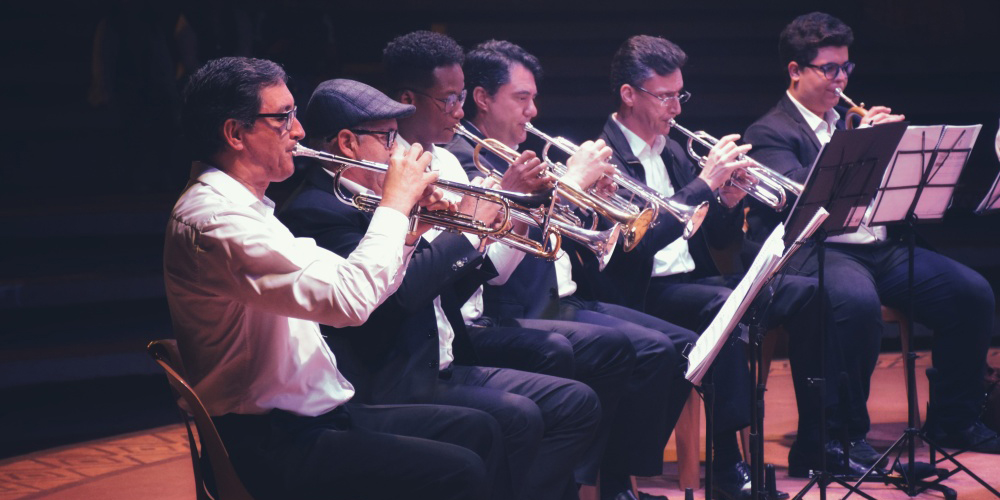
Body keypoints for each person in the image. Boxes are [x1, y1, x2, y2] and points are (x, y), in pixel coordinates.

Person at [164, 56, 504, 500]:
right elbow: (349, 302)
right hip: (275, 442)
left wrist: (410, 229)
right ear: (235, 134)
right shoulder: (216, 223)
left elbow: (349, 281)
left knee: (477, 430)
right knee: (460, 471)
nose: (300, 131)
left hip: (312, 420)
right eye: (283, 117)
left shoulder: (248, 211)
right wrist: (395, 205)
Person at [278, 77, 603, 500]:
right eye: (389, 139)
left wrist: (480, 228)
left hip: (438, 360)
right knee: (514, 418)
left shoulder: (381, 200)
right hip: (389, 380)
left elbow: (445, 286)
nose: (399, 153)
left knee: (575, 403)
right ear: (347, 143)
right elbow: (397, 299)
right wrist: (463, 232)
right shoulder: (318, 210)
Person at [580, 33, 840, 493]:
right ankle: (725, 465)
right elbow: (635, 247)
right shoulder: (603, 158)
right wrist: (704, 185)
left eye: (680, 95)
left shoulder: (674, 150)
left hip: (693, 281)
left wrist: (731, 199)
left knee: (811, 292)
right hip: (639, 291)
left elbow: (719, 241)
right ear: (628, 95)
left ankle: (821, 438)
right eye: (665, 97)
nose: (676, 108)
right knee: (722, 314)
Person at [446, 39, 701, 500]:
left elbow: (564, 231)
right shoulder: (465, 158)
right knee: (630, 349)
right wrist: (568, 185)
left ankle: (617, 479)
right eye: (521, 98)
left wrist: (594, 202)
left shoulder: (521, 151)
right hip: (515, 303)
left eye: (534, 98)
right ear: (482, 99)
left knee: (678, 346)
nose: (533, 111)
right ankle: (596, 483)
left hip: (563, 291)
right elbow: (498, 243)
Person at [743, 11, 1000, 467]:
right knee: (854, 303)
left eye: (846, 68)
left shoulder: (846, 119)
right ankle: (836, 439)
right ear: (795, 71)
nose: (840, 80)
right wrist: (855, 144)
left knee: (970, 293)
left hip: (878, 247)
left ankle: (954, 418)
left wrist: (894, 147)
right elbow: (795, 199)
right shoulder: (770, 132)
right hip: (817, 252)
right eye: (829, 69)